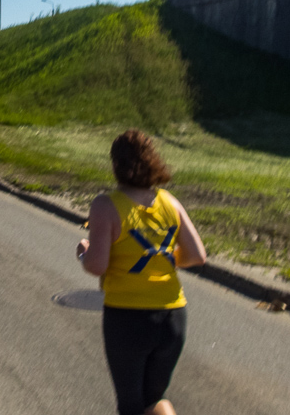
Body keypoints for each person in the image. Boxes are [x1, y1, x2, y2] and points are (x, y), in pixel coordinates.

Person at [76, 129, 207, 415]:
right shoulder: (170, 202)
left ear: (115, 165)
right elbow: (197, 255)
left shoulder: (106, 206)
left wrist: (84, 252)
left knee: (131, 404)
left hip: (128, 316)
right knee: (154, 399)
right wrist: (169, 256)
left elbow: (97, 265)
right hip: (173, 315)